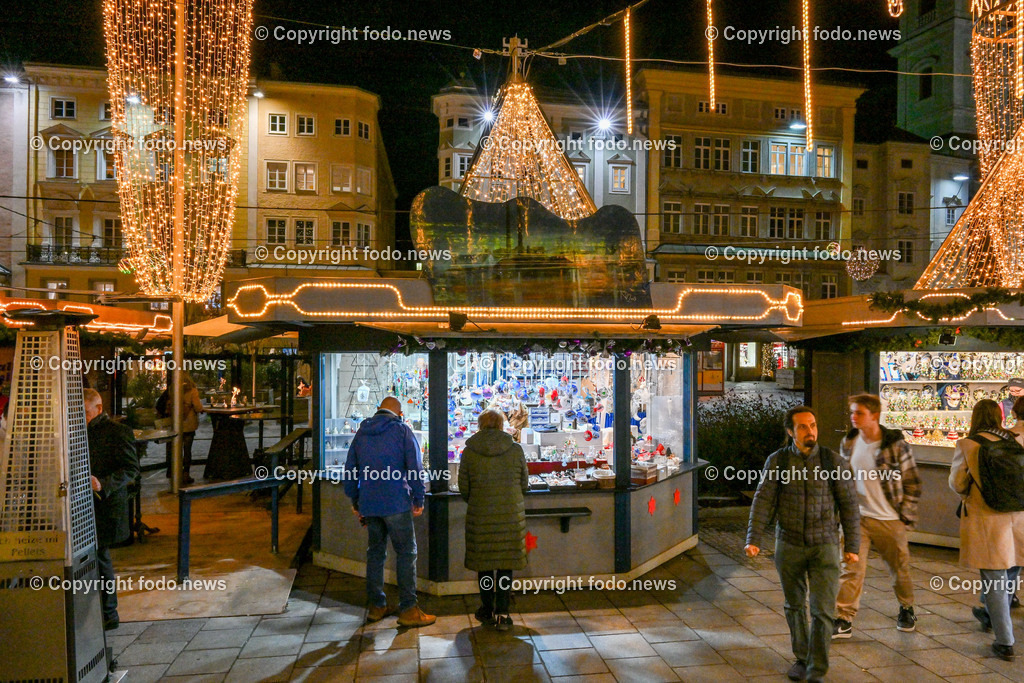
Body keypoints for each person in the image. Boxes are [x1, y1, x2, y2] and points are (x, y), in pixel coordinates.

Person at [746, 405, 860, 683]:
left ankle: (816, 668)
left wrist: (852, 546)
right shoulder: (778, 461)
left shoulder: (833, 462)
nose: (810, 431)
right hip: (790, 544)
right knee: (794, 605)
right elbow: (763, 500)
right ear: (790, 431)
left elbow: (849, 505)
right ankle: (802, 657)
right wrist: (753, 539)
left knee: (823, 610)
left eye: (813, 425)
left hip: (825, 545)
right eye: (803, 427)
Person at [833, 393, 921, 638]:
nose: (853, 417)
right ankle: (843, 618)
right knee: (850, 568)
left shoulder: (895, 446)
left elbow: (912, 482)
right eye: (852, 412)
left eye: (859, 413)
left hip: (889, 519)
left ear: (875, 415)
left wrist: (904, 517)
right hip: (857, 519)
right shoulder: (849, 442)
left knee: (899, 569)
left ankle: (906, 608)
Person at [344, 396, 435, 627]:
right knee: (406, 553)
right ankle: (409, 609)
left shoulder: (361, 432)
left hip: (370, 503)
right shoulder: (402, 431)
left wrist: (355, 500)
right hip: (396, 503)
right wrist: (419, 497)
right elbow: (414, 467)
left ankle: (377, 606)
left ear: (378, 410)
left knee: (375, 553)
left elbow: (350, 468)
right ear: (399, 413)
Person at [950, 399, 1024, 661]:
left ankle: (1005, 641)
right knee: (1010, 570)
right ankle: (993, 615)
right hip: (1017, 517)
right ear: (999, 417)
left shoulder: (968, 444)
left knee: (994, 579)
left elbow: (957, 483)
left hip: (987, 519)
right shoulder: (1015, 441)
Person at [458, 409, 529, 630]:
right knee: (506, 565)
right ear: (501, 425)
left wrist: (478, 501)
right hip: (510, 517)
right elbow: (524, 484)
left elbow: (464, 488)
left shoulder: (469, 452)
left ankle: (487, 609)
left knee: (485, 566)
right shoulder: (515, 450)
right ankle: (503, 613)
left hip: (480, 516)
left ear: (480, 425)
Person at [84, 388, 139, 631]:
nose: (82, 417)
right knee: (96, 556)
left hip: (104, 504)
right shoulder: (78, 430)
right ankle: (101, 611)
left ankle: (108, 612)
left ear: (99, 409)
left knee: (100, 556)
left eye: (85, 412)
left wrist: (103, 484)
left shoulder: (117, 432)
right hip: (86, 503)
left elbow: (131, 469)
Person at [158, 374, 205, 484]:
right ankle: (186, 474)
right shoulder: (192, 390)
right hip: (188, 425)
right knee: (187, 450)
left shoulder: (172, 389)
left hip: (175, 423)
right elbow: (198, 407)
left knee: (173, 448)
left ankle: (171, 470)